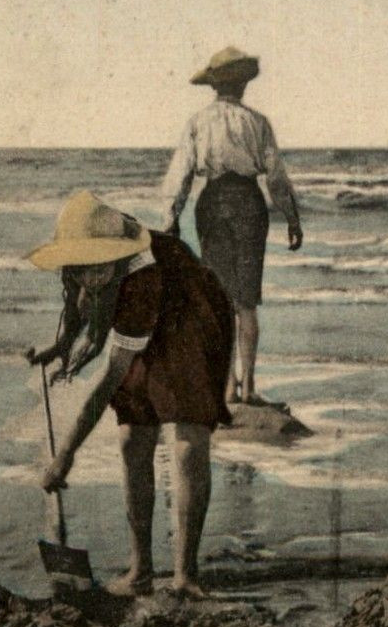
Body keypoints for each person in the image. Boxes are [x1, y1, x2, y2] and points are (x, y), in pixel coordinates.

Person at [26, 190, 235, 598]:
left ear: (116, 253)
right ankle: (140, 571)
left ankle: (186, 575)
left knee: (189, 442)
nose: (91, 277)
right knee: (132, 437)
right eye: (83, 268)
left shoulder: (142, 277)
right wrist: (60, 348)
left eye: (98, 268)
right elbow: (78, 308)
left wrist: (64, 458)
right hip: (142, 325)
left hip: (190, 314)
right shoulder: (81, 266)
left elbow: (107, 380)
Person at [163, 46, 303, 406]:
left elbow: (180, 174)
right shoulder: (257, 122)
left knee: (221, 299)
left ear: (215, 86)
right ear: (243, 85)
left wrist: (171, 217)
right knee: (247, 301)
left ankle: (227, 387)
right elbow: (276, 176)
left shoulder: (198, 122)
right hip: (248, 205)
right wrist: (291, 217)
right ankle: (250, 387)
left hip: (212, 204)